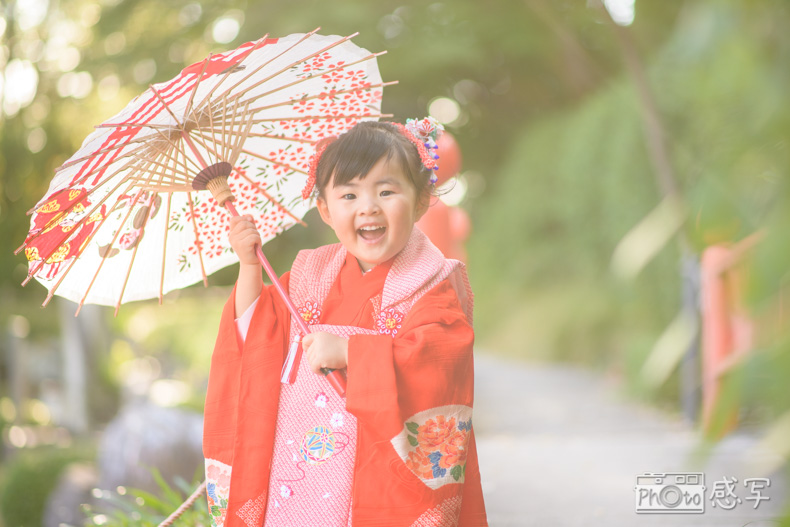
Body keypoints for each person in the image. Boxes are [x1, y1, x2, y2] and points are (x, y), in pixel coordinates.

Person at [203, 119, 487, 527]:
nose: (368, 207)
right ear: (325, 209)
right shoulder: (310, 275)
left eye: (386, 191)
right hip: (298, 470)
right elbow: (256, 340)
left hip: (377, 470)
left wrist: (351, 352)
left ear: (422, 200)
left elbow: (440, 360)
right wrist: (250, 267)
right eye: (349, 194)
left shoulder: (431, 281)